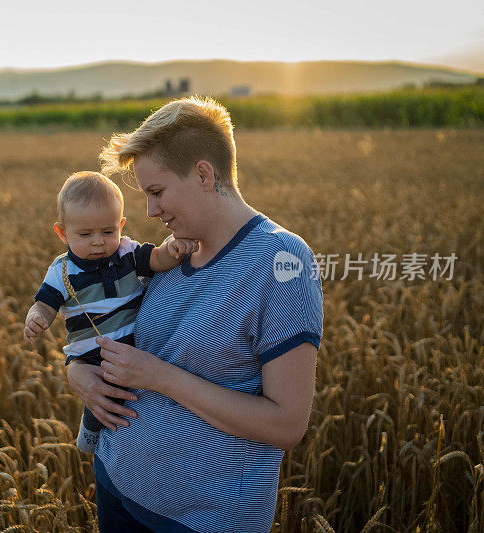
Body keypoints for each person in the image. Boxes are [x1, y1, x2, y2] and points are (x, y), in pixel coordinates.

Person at [66, 96, 324, 532]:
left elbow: (286, 424)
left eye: (157, 191)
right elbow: (107, 325)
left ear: (204, 174)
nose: (149, 211)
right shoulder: (170, 255)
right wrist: (75, 370)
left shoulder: (281, 261)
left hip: (204, 519)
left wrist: (157, 376)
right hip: (117, 485)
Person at [23, 171, 198, 453]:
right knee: (104, 397)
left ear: (121, 225)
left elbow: (156, 260)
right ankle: (91, 433)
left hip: (136, 346)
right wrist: (38, 317)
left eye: (108, 232)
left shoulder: (127, 252)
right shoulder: (62, 271)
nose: (98, 242)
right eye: (85, 234)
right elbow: (45, 303)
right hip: (93, 356)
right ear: (62, 233)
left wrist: (173, 249)